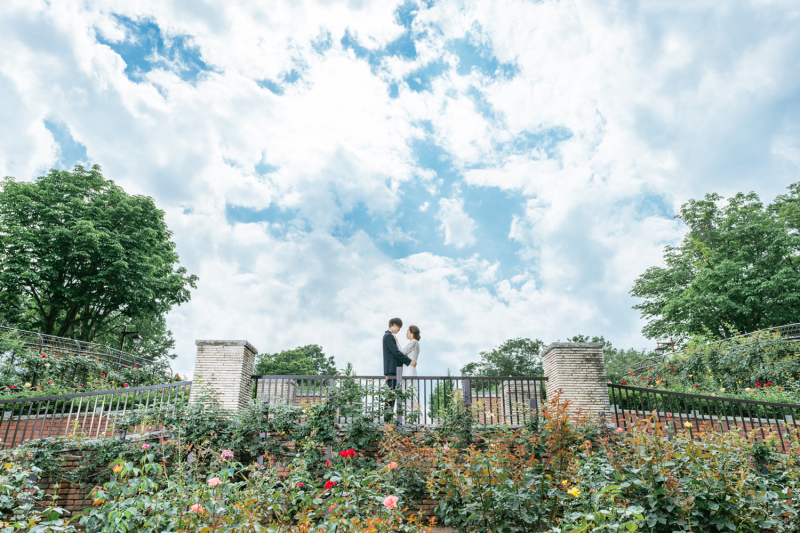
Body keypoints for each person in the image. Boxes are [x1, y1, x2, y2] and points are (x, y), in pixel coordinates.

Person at [383, 318, 415, 422]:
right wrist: (409, 361)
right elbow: (396, 352)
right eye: (399, 327)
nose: (399, 330)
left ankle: (390, 421)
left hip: (394, 370)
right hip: (392, 370)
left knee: (394, 395)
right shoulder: (388, 336)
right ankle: (387, 421)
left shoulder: (390, 336)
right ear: (394, 325)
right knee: (390, 396)